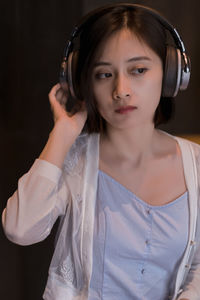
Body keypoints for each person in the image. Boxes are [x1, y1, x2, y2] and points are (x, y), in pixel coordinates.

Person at [2, 3, 200, 300]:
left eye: (139, 70)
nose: (121, 89)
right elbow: (21, 228)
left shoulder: (196, 165)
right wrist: (63, 133)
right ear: (84, 84)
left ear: (171, 74)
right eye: (104, 75)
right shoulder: (74, 159)